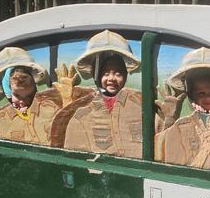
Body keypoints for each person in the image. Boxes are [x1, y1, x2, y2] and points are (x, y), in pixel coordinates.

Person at [54, 30, 182, 156]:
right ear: (96, 75)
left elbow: (163, 148)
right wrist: (67, 101)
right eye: (105, 73)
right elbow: (71, 156)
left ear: (126, 75)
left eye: (118, 73)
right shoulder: (82, 115)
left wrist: (170, 119)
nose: (111, 78)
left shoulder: (141, 105)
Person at [154, 47, 210, 173]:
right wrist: (170, 118)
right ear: (191, 96)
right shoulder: (181, 127)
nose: (208, 98)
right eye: (201, 94)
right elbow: (162, 158)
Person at [0, 47, 62, 145]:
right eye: (17, 96)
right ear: (6, 92)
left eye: (29, 96)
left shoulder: (51, 109)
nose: (23, 102)